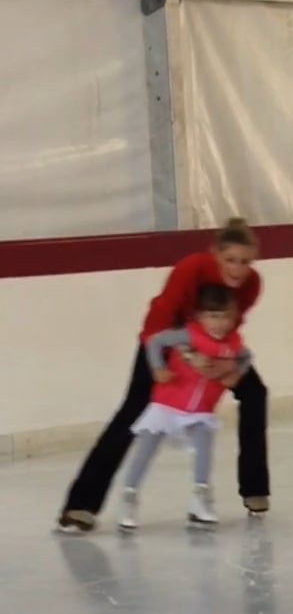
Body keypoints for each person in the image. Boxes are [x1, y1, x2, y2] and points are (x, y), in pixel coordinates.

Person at [56, 218, 269, 534]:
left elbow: (230, 330)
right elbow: (161, 323)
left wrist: (228, 367)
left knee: (255, 392)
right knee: (134, 410)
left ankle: (254, 487)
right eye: (230, 260)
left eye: (245, 262)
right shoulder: (191, 269)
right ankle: (81, 505)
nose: (238, 269)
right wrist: (188, 357)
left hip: (212, 346)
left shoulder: (251, 284)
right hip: (162, 340)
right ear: (215, 254)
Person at [118, 283, 249, 532]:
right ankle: (129, 495)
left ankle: (201, 497)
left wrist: (236, 373)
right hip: (168, 403)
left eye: (225, 317)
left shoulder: (233, 344)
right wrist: (158, 368)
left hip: (201, 409)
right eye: (213, 316)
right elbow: (155, 342)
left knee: (203, 452)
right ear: (200, 316)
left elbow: (245, 357)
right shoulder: (188, 336)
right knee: (146, 448)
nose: (219, 323)